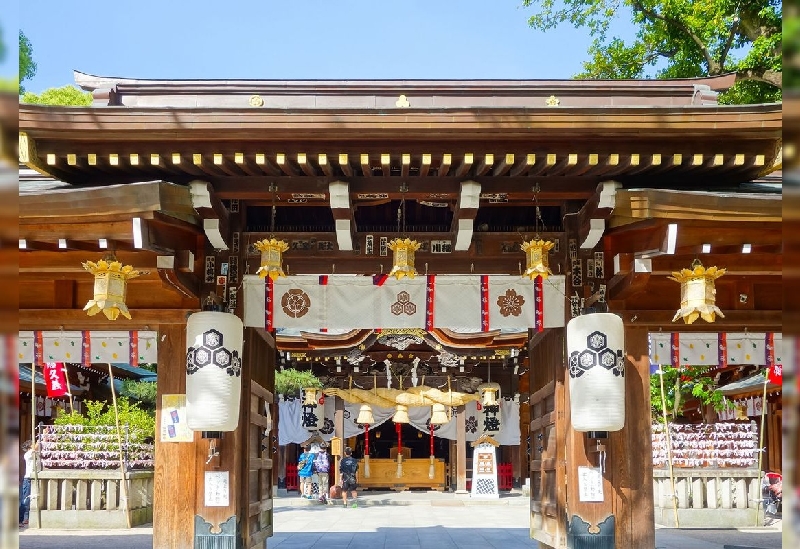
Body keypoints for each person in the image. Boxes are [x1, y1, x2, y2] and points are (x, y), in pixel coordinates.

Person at [19, 440, 38, 527]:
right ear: (30, 446)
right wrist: (41, 437)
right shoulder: (28, 454)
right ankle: (20, 519)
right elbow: (36, 446)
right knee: (25, 500)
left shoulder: (34, 453)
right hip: (28, 479)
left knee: (33, 499)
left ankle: (27, 518)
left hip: (34, 478)